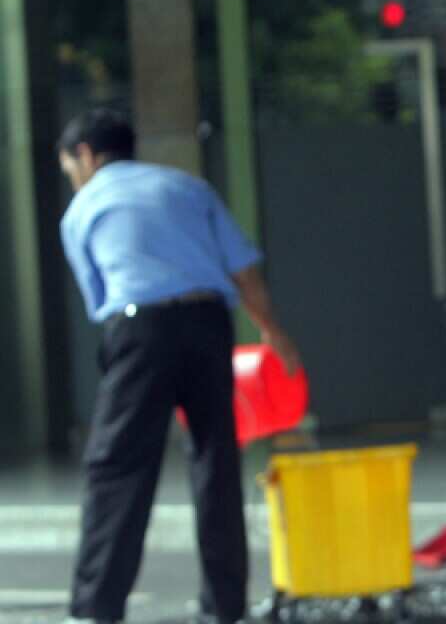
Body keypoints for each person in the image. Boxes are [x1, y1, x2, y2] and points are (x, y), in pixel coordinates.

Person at [57, 110, 301, 624]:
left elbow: (98, 297)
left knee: (118, 467)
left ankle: (96, 609)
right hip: (209, 324)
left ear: (84, 155)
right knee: (216, 462)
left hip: (140, 329)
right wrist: (276, 335)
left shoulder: (84, 207)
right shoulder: (188, 188)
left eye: (70, 168)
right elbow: (244, 273)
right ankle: (225, 607)